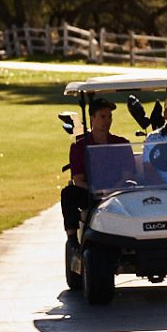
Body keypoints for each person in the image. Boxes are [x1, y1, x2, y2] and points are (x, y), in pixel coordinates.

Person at [61, 96, 129, 234]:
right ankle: (72, 240)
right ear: (92, 118)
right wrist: (97, 190)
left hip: (117, 191)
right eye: (102, 117)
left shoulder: (121, 143)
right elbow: (78, 180)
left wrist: (112, 189)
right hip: (90, 192)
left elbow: (127, 174)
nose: (107, 121)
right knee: (68, 193)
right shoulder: (78, 146)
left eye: (109, 117)